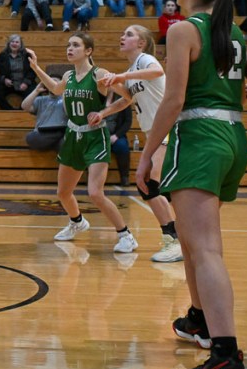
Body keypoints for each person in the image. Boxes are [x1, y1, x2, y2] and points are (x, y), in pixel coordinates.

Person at [137, 0, 247, 369]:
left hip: (201, 137)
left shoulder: (183, 29)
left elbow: (174, 98)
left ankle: (225, 358)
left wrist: (148, 154)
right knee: (190, 241)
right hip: (232, 137)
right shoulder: (230, 30)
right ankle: (201, 320)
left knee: (205, 250)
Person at [26, 33, 138, 254]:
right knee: (63, 192)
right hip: (73, 135)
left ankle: (126, 235)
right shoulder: (68, 75)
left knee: (95, 193)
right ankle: (77, 222)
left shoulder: (100, 74)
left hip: (95, 136)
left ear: (88, 51)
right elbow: (56, 89)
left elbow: (128, 98)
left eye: (76, 45)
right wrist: (36, 67)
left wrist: (103, 113)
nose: (70, 48)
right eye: (69, 45)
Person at [99, 25, 183, 263]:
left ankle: (174, 240)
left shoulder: (146, 60)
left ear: (141, 43)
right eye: (122, 34)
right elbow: (127, 100)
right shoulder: (132, 70)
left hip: (168, 128)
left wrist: (122, 77)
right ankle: (178, 236)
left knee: (150, 184)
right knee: (156, 186)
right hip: (154, 133)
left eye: (128, 34)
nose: (122, 37)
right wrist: (103, 111)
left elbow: (158, 71)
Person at [0, 34, 35, 110]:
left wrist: (26, 82)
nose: (14, 44)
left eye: (17, 42)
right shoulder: (3, 55)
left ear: (21, 44)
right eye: (12, 42)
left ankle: (21, 110)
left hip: (23, 83)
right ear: (9, 43)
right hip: (8, 84)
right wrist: (4, 80)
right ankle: (9, 110)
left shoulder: (27, 55)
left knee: (35, 92)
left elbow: (32, 71)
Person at [21, 76, 66, 151]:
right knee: (30, 137)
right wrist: (36, 90)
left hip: (61, 133)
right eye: (49, 82)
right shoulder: (40, 100)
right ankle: (57, 136)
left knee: (65, 142)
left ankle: (57, 137)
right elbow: (25, 106)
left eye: (55, 82)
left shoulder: (65, 99)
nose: (52, 84)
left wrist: (63, 91)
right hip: (42, 135)